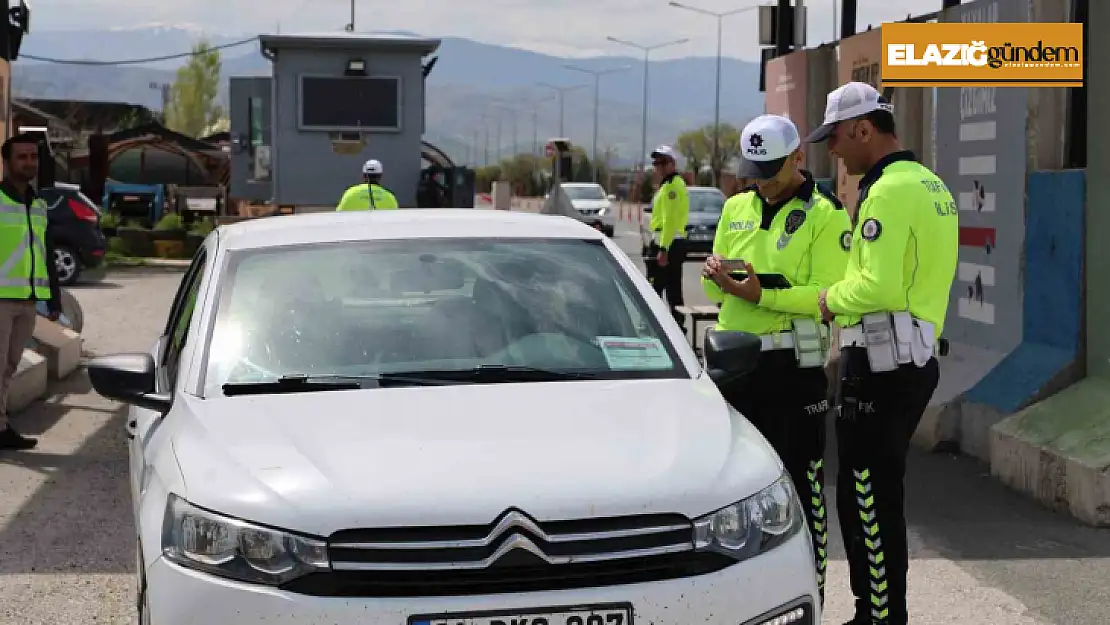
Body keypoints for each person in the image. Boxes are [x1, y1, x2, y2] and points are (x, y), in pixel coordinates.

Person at [806, 81, 958, 625]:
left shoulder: (888, 191)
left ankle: (879, 615)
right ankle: (884, 611)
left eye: (837, 138)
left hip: (882, 366)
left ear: (863, 129)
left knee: (863, 496)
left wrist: (827, 300)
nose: (834, 151)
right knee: (879, 491)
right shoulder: (930, 184)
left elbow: (877, 288)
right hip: (912, 363)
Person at [701, 114, 851, 602]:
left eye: (770, 170)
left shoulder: (826, 215)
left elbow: (828, 295)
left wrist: (762, 293)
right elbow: (713, 281)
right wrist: (716, 275)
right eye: (753, 170)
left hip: (792, 370)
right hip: (735, 367)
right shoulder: (736, 207)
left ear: (799, 158)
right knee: (727, 494)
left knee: (804, 490)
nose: (760, 181)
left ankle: (812, 597)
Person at [0, 133, 62, 451]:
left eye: (33, 157)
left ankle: (1, 428)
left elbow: (45, 254)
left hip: (26, 301)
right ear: (7, 162)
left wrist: (53, 298)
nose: (28, 162)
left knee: (10, 366)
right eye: (21, 157)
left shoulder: (38, 205)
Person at [644, 145, 689, 328]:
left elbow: (669, 220)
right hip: (668, 241)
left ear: (672, 163)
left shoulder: (672, 187)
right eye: (656, 163)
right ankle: (676, 325)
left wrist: (663, 248)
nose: (658, 167)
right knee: (671, 287)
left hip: (668, 243)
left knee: (655, 287)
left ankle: (656, 326)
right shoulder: (669, 185)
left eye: (662, 162)